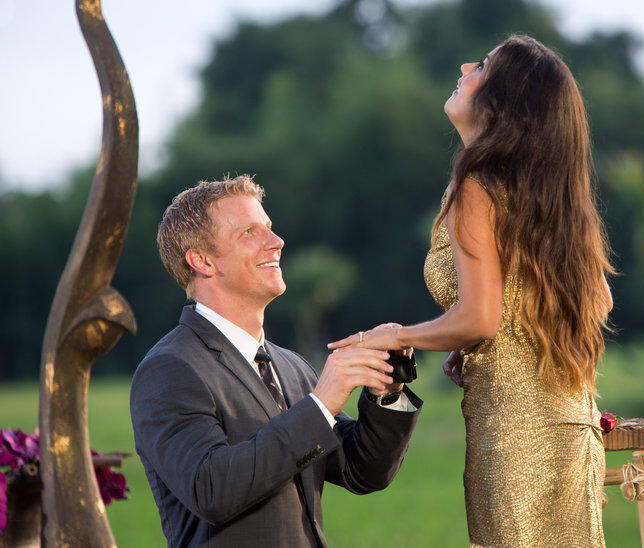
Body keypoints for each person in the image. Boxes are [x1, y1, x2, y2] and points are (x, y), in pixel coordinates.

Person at [329, 35, 613, 546]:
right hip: (573, 426)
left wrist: (399, 335)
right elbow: (593, 302)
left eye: (482, 66)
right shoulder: (547, 194)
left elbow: (482, 318)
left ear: (504, 100)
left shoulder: (479, 185)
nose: (464, 67)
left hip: (516, 436)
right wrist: (479, 345)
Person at [130, 175, 422, 548]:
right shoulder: (169, 369)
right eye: (249, 232)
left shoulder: (290, 366)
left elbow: (362, 471)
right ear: (202, 261)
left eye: (269, 227)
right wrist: (321, 405)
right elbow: (212, 489)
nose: (277, 241)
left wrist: (387, 390)